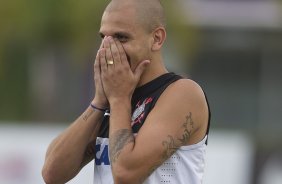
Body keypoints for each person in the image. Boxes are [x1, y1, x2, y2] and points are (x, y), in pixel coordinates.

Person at [42, 0, 211, 183]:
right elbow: (52, 174)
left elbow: (125, 174)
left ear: (157, 39)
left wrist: (118, 99)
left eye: (121, 38)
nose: (108, 49)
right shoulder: (112, 100)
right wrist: (99, 101)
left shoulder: (182, 93)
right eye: (103, 38)